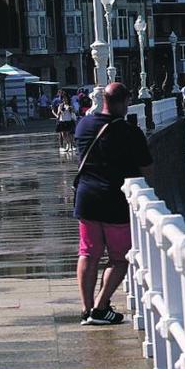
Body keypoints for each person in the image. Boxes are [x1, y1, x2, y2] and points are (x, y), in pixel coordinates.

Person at [74, 82, 153, 325]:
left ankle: (87, 310)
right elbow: (147, 170)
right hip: (115, 201)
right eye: (128, 102)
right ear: (122, 102)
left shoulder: (83, 125)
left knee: (88, 253)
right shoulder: (130, 132)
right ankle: (100, 307)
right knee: (120, 258)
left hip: (86, 199)